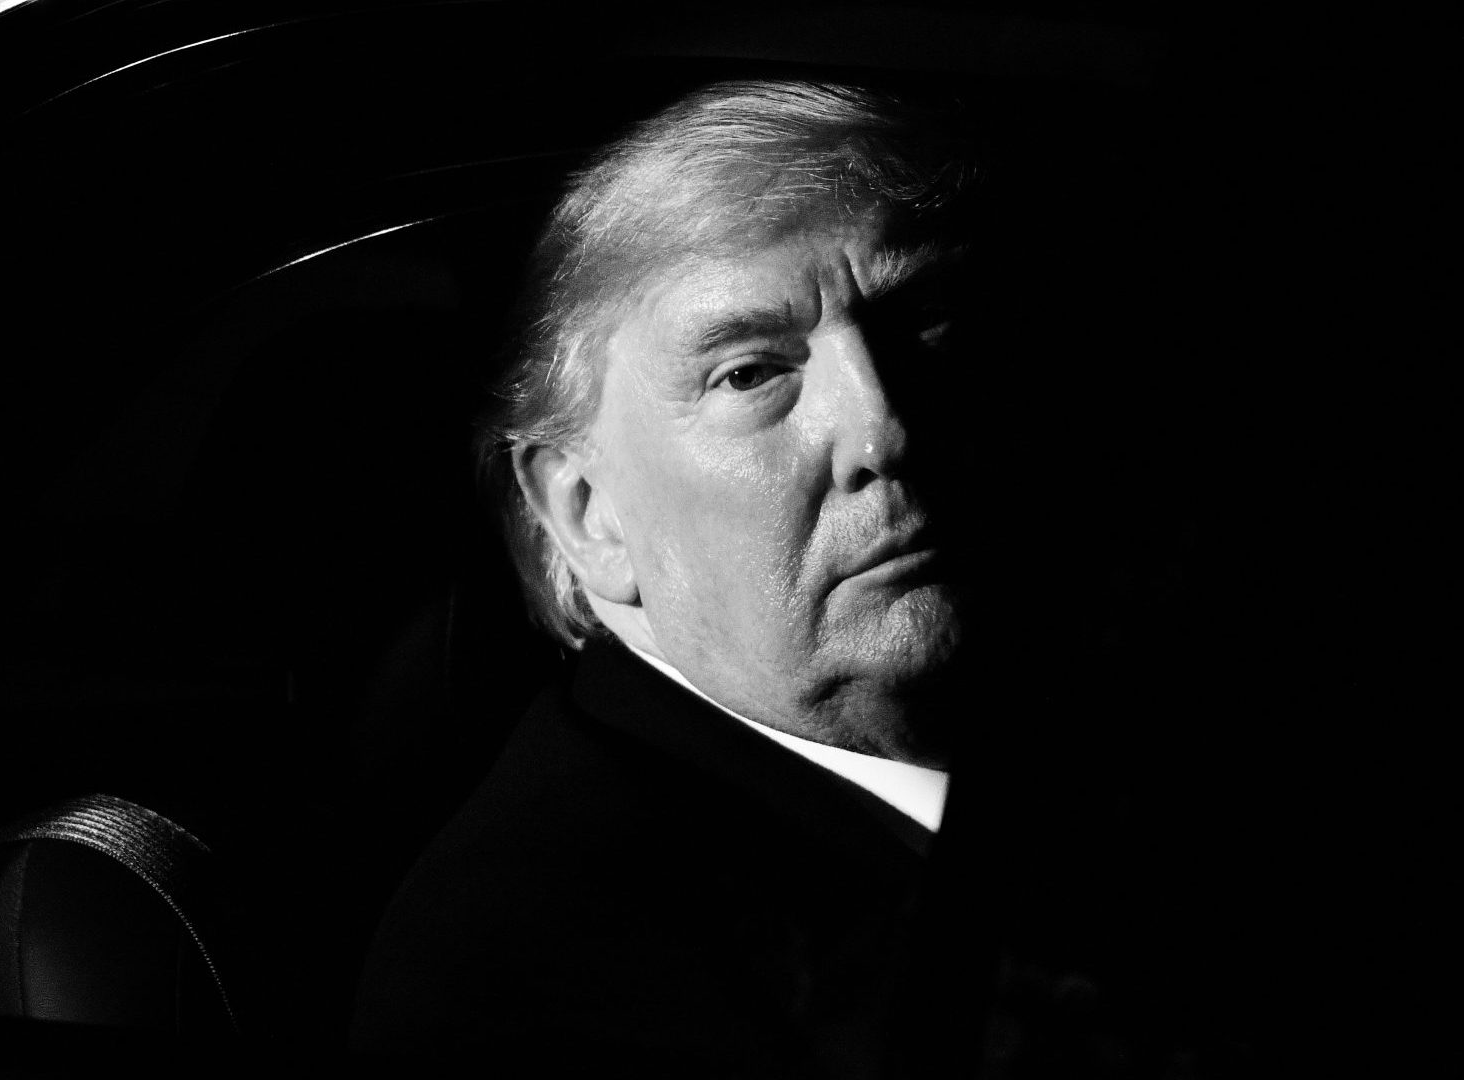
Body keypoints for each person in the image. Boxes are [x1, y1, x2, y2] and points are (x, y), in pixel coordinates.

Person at [349, 79, 997, 1075]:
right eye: (749, 371)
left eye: (924, 318)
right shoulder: (529, 975)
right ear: (585, 513)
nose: (881, 427)